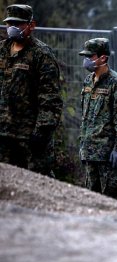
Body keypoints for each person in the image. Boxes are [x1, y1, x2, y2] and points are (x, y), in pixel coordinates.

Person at [0, 4, 63, 176]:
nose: (12, 28)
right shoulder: (2, 50)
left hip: (30, 138)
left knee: (37, 185)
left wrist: (41, 133)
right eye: (9, 23)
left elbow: (51, 99)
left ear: (31, 25)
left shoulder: (41, 55)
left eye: (18, 24)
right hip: (4, 136)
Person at [79, 38, 117, 202]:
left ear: (103, 58)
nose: (87, 60)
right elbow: (85, 116)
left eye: (91, 56)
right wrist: (83, 145)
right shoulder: (88, 81)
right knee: (92, 200)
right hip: (90, 152)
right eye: (85, 56)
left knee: (114, 200)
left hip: (109, 155)